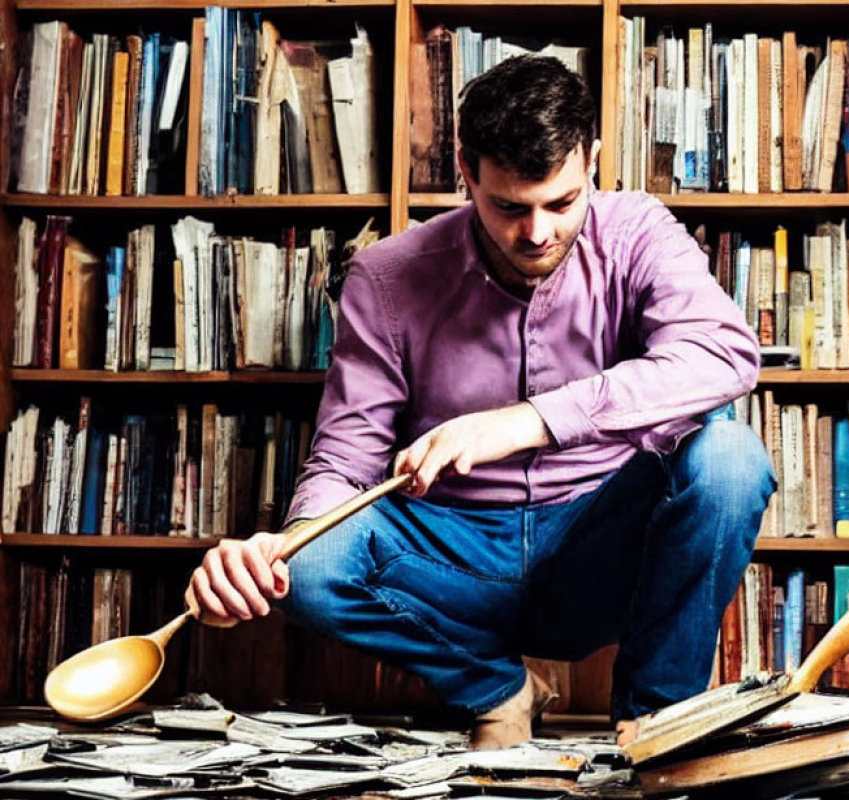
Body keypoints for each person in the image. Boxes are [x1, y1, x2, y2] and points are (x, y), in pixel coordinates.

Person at [187, 54, 776, 750]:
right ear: (466, 172)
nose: (537, 233)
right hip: (450, 560)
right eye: (508, 207)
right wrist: (275, 555)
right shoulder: (386, 276)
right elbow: (345, 460)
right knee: (307, 567)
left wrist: (527, 422)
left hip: (600, 553)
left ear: (591, 160)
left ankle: (654, 722)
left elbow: (725, 353)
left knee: (731, 457)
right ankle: (500, 690)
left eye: (561, 203)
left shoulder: (638, 229)